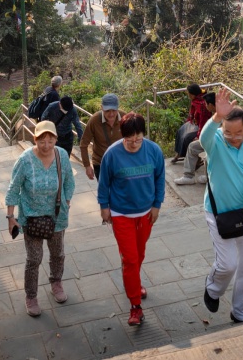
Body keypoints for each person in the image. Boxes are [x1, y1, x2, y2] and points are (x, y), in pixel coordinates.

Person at [199, 88, 243, 323]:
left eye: (238, 133)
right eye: (228, 132)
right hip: (218, 212)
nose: (233, 137)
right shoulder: (216, 141)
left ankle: (241, 312)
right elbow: (203, 138)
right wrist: (217, 117)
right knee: (228, 264)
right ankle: (213, 289)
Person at [97, 113, 164, 326]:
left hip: (145, 212)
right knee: (130, 259)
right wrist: (104, 207)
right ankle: (135, 305)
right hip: (121, 214)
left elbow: (160, 178)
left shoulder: (153, 151)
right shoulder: (112, 154)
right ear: (122, 135)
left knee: (139, 254)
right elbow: (104, 183)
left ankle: (134, 282)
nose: (134, 143)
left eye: (138, 138)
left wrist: (157, 205)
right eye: (129, 139)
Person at [5, 121, 76, 317]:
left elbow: (69, 180)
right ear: (34, 139)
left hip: (56, 216)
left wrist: (67, 199)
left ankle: (56, 282)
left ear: (55, 139)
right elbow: (13, 188)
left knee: (58, 253)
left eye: (50, 140)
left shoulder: (61, 155)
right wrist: (11, 216)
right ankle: (31, 296)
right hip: (32, 217)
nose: (46, 145)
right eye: (42, 141)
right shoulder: (25, 160)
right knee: (34, 259)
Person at [175, 92, 216, 184]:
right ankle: (188, 176)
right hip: (208, 139)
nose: (205, 105)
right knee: (192, 146)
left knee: (209, 151)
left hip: (219, 142)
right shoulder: (214, 112)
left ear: (210, 104)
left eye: (206, 104)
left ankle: (209, 176)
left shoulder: (221, 115)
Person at [80, 93, 124, 180]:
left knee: (120, 191)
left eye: (114, 110)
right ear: (102, 108)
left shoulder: (124, 118)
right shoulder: (95, 120)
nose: (111, 114)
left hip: (120, 163)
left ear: (118, 108)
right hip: (101, 163)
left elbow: (133, 139)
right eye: (107, 111)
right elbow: (83, 144)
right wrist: (87, 166)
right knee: (105, 192)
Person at [173, 84, 209, 162]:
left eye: (189, 94)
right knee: (180, 131)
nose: (188, 95)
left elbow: (203, 121)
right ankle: (178, 153)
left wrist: (199, 135)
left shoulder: (202, 104)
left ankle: (189, 157)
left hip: (201, 126)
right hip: (194, 123)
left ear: (193, 94)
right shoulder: (195, 101)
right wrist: (188, 123)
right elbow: (191, 114)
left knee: (187, 137)